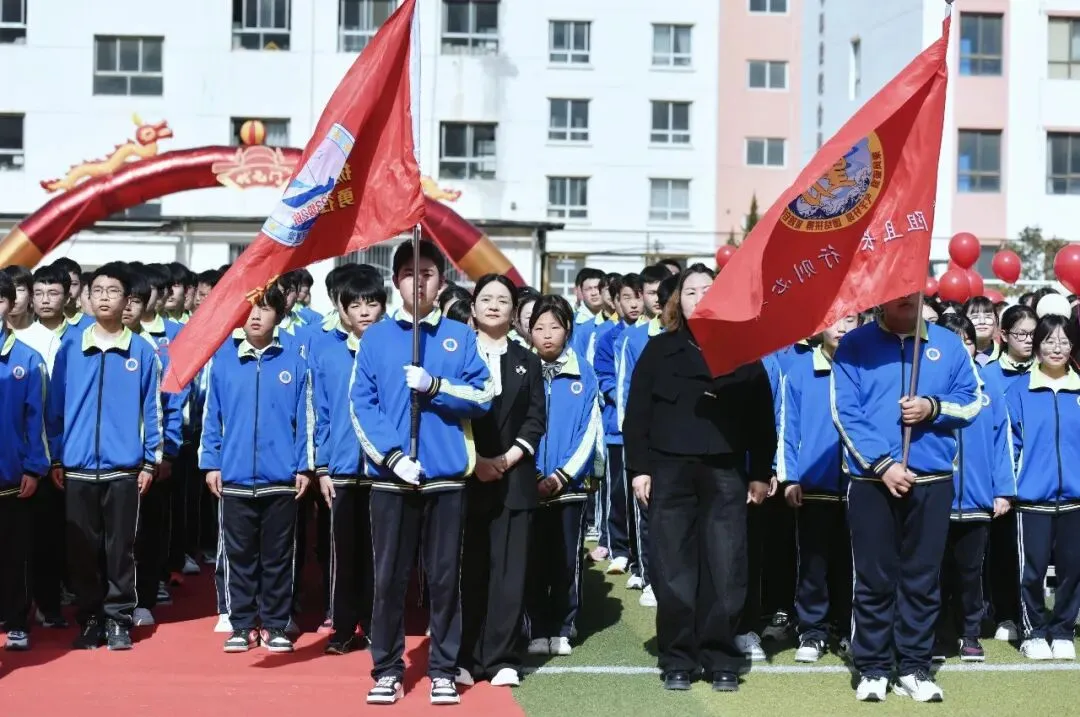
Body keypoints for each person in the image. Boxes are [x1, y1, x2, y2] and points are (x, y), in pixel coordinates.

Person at [350, 240, 493, 706]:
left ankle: (444, 669)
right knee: (389, 578)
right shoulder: (376, 339)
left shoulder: (459, 336)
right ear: (396, 281)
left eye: (427, 273)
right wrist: (392, 456)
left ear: (441, 281)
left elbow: (482, 396)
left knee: (445, 578)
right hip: (393, 479)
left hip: (446, 478)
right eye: (410, 273)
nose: (419, 281)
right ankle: (387, 668)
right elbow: (361, 404)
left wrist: (436, 386)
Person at [623, 264, 775, 693]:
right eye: (690, 291)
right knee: (673, 567)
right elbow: (637, 415)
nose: (699, 297)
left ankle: (721, 656)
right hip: (669, 470)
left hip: (726, 470)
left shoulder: (743, 353)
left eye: (708, 289)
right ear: (678, 302)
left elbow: (763, 419)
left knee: (726, 565)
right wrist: (639, 469)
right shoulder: (659, 350)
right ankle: (679, 657)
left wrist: (760, 473)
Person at [831, 293, 981, 702]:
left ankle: (914, 666)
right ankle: (873, 667)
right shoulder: (855, 344)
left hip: (932, 479)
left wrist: (932, 407)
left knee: (922, 579)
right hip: (871, 480)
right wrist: (883, 465)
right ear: (881, 301)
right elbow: (845, 411)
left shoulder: (948, 345)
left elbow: (972, 402)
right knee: (873, 578)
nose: (907, 303)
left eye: (913, 296)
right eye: (897, 298)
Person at [47, 262, 163, 651]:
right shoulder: (70, 348)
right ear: (86, 297)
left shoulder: (142, 351)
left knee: (121, 549)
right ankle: (91, 617)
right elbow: (54, 408)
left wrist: (150, 461)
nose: (103, 298)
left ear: (127, 300)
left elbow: (152, 411)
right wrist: (57, 458)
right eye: (97, 291)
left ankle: (118, 618)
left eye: (112, 291)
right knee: (81, 549)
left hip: (124, 469)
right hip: (78, 467)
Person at [198, 283, 314, 654]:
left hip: (280, 479)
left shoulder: (294, 362)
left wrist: (304, 467)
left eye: (264, 308)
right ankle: (242, 624)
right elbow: (211, 417)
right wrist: (211, 462)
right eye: (249, 309)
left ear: (278, 314)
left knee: (278, 557)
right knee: (239, 557)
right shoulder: (224, 362)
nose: (255, 316)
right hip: (233, 477)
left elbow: (305, 420)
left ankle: (276, 624)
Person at [459, 275, 545, 687]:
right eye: (486, 298)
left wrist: (506, 460)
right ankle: (464, 657)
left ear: (514, 311)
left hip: (515, 481)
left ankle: (502, 658)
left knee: (510, 576)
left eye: (503, 300)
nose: (494, 305)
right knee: (468, 572)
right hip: (465, 479)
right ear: (473, 306)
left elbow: (535, 419)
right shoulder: (456, 354)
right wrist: (476, 461)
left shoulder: (528, 360)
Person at [311, 269, 386, 655]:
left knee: (379, 554)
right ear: (341, 309)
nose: (364, 311)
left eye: (372, 303)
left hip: (383, 470)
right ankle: (341, 627)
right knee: (342, 554)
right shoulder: (327, 353)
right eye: (355, 304)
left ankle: (376, 626)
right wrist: (322, 467)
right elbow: (321, 415)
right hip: (341, 470)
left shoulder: (392, 350)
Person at [931, 314, 1013, 663]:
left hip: (978, 500)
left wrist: (1003, 490)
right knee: (933, 573)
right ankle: (934, 635)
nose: (962, 347)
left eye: (966, 340)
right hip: (935, 498)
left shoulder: (989, 384)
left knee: (970, 573)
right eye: (954, 340)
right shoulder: (927, 384)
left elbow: (1001, 441)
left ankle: (970, 633)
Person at [777, 315, 858, 663]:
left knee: (853, 565)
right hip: (813, 486)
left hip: (859, 486)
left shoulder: (865, 368)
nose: (841, 327)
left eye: (850, 319)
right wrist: (790, 477)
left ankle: (849, 629)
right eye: (834, 320)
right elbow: (788, 428)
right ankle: (812, 631)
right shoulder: (799, 372)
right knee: (813, 564)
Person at [524, 294, 600, 660]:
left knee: (566, 559)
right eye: (539, 327)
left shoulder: (584, 372)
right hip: (528, 483)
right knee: (532, 558)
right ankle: (536, 626)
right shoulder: (522, 368)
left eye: (554, 327)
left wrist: (561, 475)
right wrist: (532, 472)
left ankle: (564, 625)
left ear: (568, 329)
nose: (547, 334)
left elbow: (589, 431)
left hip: (569, 486)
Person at [1006, 313, 1080, 662]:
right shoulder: (1018, 391)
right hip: (1031, 498)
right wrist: (1009, 487)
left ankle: (1063, 630)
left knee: (1072, 569)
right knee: (1031, 572)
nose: (1057, 348)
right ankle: (1032, 631)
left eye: (1064, 341)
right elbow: (1009, 446)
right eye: (1050, 340)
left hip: (1075, 500)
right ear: (1037, 346)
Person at [614, 265, 672, 606]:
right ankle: (649, 575)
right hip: (646, 444)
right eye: (651, 293)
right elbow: (625, 395)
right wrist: (634, 446)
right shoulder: (635, 339)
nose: (658, 299)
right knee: (647, 512)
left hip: (678, 446)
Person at [981, 303, 1036, 641]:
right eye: (1022, 334)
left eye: (1033, 334)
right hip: (1001, 477)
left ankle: (1033, 614)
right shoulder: (989, 375)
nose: (1029, 340)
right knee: (1002, 551)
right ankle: (1005, 615)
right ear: (1004, 335)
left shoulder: (1047, 372)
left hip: (1036, 480)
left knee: (1033, 555)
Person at [0, 270, 49, 651]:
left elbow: (38, 419)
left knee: (13, 555)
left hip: (11, 475)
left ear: (10, 304)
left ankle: (17, 620)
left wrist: (34, 466)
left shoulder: (27, 359)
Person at [593, 273, 644, 577]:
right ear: (616, 301)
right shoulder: (608, 338)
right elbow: (603, 377)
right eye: (627, 297)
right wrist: (624, 397)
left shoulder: (654, 335)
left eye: (638, 296)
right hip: (617, 429)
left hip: (646, 429)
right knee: (617, 494)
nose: (634, 303)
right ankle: (619, 548)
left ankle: (639, 553)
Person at [963, 296, 1001, 364]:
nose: (982, 322)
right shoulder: (957, 354)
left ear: (996, 320)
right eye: (975, 317)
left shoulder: (1005, 355)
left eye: (988, 316)